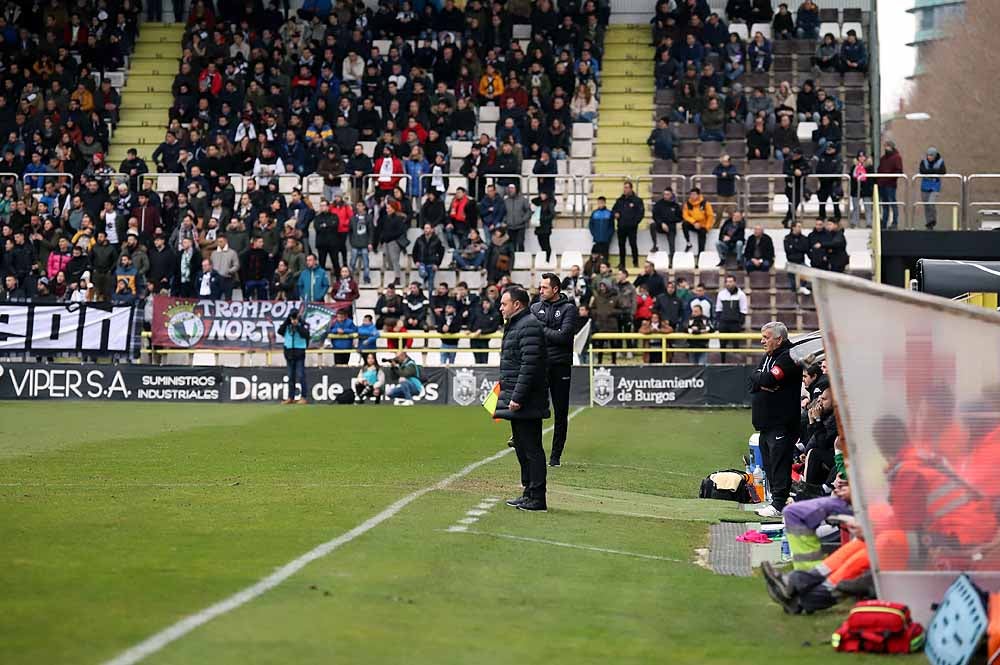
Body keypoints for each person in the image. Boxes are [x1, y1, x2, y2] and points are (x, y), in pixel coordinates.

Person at [496, 287, 550, 512]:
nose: (501, 308)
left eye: (504, 304)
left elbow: (529, 365)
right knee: (521, 447)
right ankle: (528, 492)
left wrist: (517, 396)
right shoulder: (517, 325)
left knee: (532, 448)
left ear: (517, 304)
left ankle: (537, 498)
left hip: (527, 399)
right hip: (518, 397)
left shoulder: (528, 326)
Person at [749, 321, 803, 518]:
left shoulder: (788, 356)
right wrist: (761, 379)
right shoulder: (768, 356)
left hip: (782, 421)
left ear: (779, 339)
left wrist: (762, 380)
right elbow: (754, 379)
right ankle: (775, 500)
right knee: (770, 462)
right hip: (766, 422)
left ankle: (779, 503)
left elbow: (768, 380)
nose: (762, 341)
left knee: (780, 462)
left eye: (766, 337)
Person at [530, 273, 577, 467]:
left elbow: (564, 338)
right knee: (534, 407)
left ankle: (555, 456)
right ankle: (530, 446)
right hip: (539, 364)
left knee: (560, 412)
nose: (540, 291)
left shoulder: (569, 309)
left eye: (544, 288)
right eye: (540, 288)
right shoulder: (535, 307)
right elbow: (532, 334)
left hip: (560, 365)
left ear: (555, 289)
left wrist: (541, 328)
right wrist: (549, 332)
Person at [278, 308, 311, 404]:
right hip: (289, 353)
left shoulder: (303, 325)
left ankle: (304, 397)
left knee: (301, 375)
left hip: (299, 352)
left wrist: (297, 325)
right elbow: (280, 331)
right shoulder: (287, 325)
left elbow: (306, 335)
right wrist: (287, 321)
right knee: (290, 376)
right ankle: (290, 397)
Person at [715, 274, 748, 362]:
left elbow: (743, 310)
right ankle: (722, 362)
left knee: (735, 344)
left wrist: (739, 323)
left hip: (735, 323)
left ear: (735, 282)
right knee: (722, 344)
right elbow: (718, 309)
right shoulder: (721, 294)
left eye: (730, 281)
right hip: (723, 323)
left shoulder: (741, 295)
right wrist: (719, 322)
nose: (728, 284)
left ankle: (736, 363)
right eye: (727, 282)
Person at [612, 181, 644, 269]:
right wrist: (615, 214)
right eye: (624, 187)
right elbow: (614, 210)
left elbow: (640, 213)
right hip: (621, 226)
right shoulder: (620, 200)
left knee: (633, 244)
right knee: (621, 245)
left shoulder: (637, 200)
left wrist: (634, 223)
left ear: (631, 188)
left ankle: (635, 262)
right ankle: (622, 263)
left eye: (627, 187)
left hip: (632, 227)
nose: (625, 189)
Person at [681, 187, 715, 268]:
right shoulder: (688, 204)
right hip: (693, 224)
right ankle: (688, 242)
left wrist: (707, 227)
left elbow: (710, 216)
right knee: (684, 224)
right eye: (691, 194)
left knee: (702, 237)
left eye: (694, 194)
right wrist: (694, 222)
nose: (692, 196)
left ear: (698, 195)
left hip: (702, 225)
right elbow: (685, 215)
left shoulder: (705, 203)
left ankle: (700, 258)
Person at [650, 189, 682, 264]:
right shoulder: (659, 204)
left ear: (671, 195)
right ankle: (655, 245)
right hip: (661, 225)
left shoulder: (675, 205)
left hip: (671, 227)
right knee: (652, 225)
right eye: (664, 194)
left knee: (672, 244)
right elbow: (655, 215)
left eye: (667, 194)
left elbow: (680, 217)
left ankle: (672, 260)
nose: (665, 196)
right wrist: (661, 223)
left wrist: (670, 221)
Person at [877, 140, 903, 229]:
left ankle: (894, 222)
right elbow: (879, 170)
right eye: (885, 146)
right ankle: (884, 223)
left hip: (890, 185)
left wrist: (889, 178)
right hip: (882, 184)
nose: (885, 148)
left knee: (892, 203)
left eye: (887, 146)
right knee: (885, 205)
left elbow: (899, 170)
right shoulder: (883, 158)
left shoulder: (896, 157)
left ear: (891, 147)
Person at [918, 147, 946, 230]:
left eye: (931, 155)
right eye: (928, 155)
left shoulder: (940, 161)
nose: (929, 157)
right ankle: (929, 223)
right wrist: (934, 171)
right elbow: (922, 171)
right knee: (926, 205)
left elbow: (943, 171)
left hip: (935, 186)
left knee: (931, 203)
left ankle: (933, 219)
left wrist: (930, 172)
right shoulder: (923, 161)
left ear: (935, 155)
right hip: (925, 186)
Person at [784, 221, 811, 294]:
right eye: (798, 226)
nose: (800, 228)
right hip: (791, 261)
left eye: (800, 227)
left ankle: (803, 286)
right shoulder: (787, 238)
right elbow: (788, 250)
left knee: (806, 270)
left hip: (800, 261)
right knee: (791, 274)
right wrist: (799, 248)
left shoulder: (804, 238)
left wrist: (794, 247)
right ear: (793, 227)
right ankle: (793, 290)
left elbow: (805, 248)